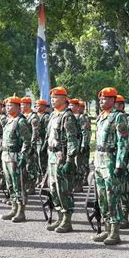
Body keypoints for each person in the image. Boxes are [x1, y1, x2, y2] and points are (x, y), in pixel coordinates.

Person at [92, 87, 128, 245]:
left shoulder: (118, 117)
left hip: (111, 161)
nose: (102, 101)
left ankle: (115, 231)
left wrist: (120, 164)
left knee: (112, 196)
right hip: (100, 161)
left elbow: (123, 143)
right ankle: (106, 228)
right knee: (102, 197)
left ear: (113, 100)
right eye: (100, 99)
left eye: (105, 99)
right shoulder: (101, 117)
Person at [44, 88, 80, 232]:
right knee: (53, 188)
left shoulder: (67, 116)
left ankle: (67, 219)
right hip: (52, 155)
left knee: (63, 189)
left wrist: (70, 160)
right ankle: (59, 216)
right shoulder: (53, 115)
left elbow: (72, 140)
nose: (52, 100)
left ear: (65, 99)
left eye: (56, 97)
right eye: (52, 97)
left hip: (62, 157)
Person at [0, 96, 31, 222]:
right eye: (7, 106)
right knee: (10, 184)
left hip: (15, 156)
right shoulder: (8, 120)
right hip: (6, 155)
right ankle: (13, 208)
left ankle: (21, 211)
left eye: (10, 106)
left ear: (18, 107)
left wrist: (23, 156)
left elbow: (27, 141)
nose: (8, 108)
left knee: (19, 185)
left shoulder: (20, 121)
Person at [114, 95, 129, 228]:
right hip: (114, 159)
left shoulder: (126, 119)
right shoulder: (111, 117)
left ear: (122, 105)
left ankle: (124, 215)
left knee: (125, 190)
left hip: (125, 160)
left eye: (117, 104)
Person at [20, 97, 40, 195]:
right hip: (23, 145)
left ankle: (32, 186)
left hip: (30, 146)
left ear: (28, 105)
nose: (21, 107)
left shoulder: (33, 117)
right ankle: (26, 185)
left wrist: (32, 146)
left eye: (23, 104)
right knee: (23, 167)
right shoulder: (21, 116)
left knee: (31, 166)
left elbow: (35, 132)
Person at [35, 99, 50, 181]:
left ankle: (44, 179)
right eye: (36, 106)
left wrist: (45, 143)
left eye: (39, 105)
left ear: (44, 107)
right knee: (36, 161)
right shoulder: (35, 115)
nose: (37, 107)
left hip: (42, 141)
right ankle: (38, 178)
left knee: (42, 161)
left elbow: (47, 131)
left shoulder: (46, 117)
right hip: (36, 141)